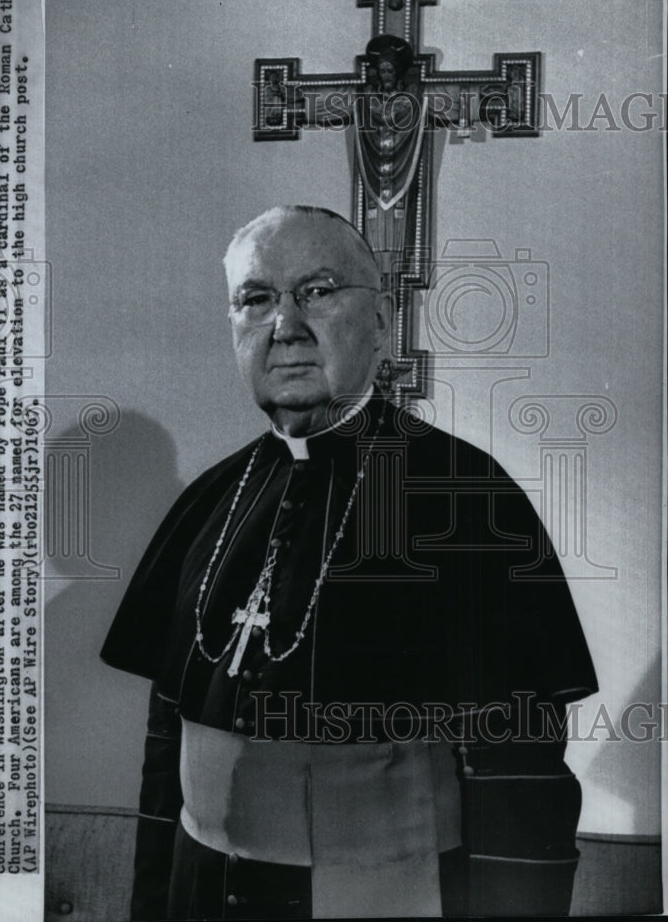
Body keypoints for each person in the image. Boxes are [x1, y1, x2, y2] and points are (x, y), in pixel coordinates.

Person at [101, 205, 598, 920]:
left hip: (391, 894)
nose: (286, 325)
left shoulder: (463, 497)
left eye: (319, 290)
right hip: (201, 889)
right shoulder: (211, 500)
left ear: (381, 322)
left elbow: (518, 767)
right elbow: (165, 749)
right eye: (256, 298)